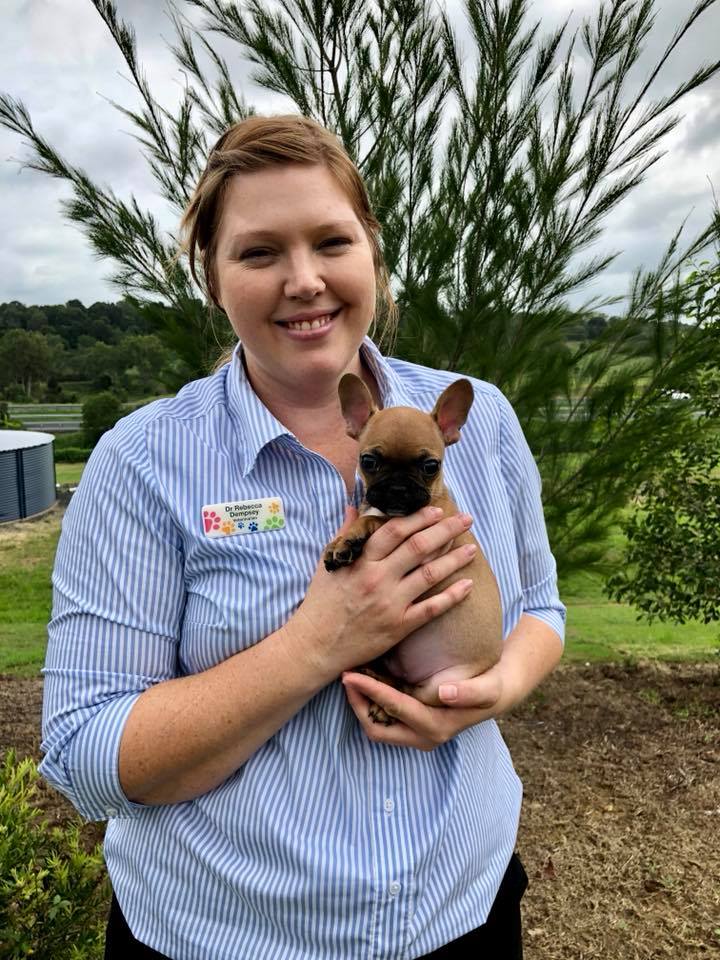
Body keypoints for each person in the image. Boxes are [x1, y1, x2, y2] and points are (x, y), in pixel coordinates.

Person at [40, 114, 565, 960]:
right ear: (210, 276)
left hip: (461, 906)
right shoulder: (144, 463)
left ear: (373, 256)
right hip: (226, 935)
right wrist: (318, 643)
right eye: (258, 253)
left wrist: (492, 690)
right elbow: (86, 758)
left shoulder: (483, 417)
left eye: (332, 241)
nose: (305, 280)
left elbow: (542, 605)